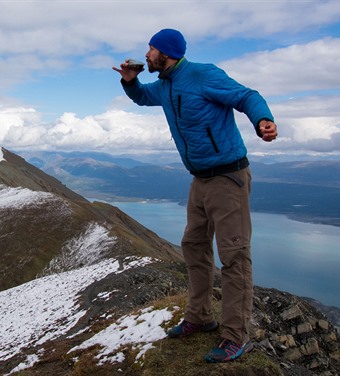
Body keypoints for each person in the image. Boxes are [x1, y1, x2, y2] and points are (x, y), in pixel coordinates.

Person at [113, 28, 278, 363]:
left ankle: (235, 336)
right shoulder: (165, 84)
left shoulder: (203, 74)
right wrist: (130, 82)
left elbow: (247, 96)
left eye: (151, 50)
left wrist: (264, 120)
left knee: (234, 256)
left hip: (228, 178)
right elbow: (144, 97)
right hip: (199, 180)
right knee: (194, 246)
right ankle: (200, 317)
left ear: (167, 52)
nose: (146, 55)